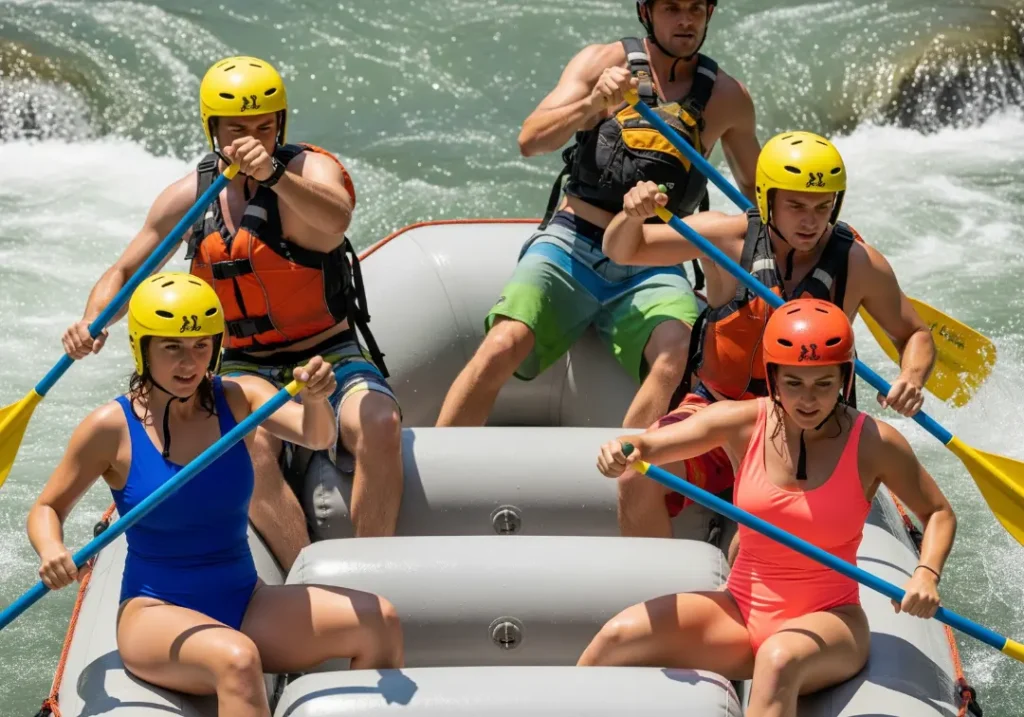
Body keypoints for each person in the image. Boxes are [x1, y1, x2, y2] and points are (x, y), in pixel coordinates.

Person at [60, 56, 403, 568]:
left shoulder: (310, 171)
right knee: (249, 450)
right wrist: (93, 323)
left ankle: (376, 576)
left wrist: (276, 176)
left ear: (281, 124)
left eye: (265, 126)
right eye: (238, 129)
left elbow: (337, 216)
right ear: (213, 130)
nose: (253, 138)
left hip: (327, 353)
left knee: (378, 420)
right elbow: (125, 273)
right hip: (239, 362)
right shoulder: (189, 197)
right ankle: (305, 574)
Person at [30, 274, 404, 716]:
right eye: (172, 347)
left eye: (201, 346)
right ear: (142, 347)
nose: (189, 362)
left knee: (380, 621)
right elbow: (47, 507)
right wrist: (52, 549)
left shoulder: (239, 396)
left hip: (245, 599)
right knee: (238, 659)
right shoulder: (110, 427)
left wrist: (319, 397)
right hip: (153, 613)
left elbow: (315, 433)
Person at [583, 299, 956, 717]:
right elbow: (652, 444)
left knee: (778, 660)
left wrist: (926, 573)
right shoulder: (742, 422)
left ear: (845, 378)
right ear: (773, 377)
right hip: (742, 611)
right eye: (793, 383)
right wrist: (625, 449)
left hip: (832, 621)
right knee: (616, 637)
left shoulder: (875, 443)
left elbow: (939, 512)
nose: (808, 400)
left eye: (823, 384)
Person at [435, 0, 761, 430]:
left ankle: (628, 475)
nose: (685, 21)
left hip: (652, 259)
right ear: (646, 12)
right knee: (502, 344)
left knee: (678, 354)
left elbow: (759, 197)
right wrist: (592, 103)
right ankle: (444, 470)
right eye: (671, 8)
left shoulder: (727, 98)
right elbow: (530, 140)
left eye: (696, 9)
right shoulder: (601, 62)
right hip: (573, 244)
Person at [602, 131, 936, 538]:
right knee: (637, 476)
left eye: (822, 206)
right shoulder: (726, 238)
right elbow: (623, 249)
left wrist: (912, 378)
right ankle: (651, 589)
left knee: (759, 538)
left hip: (806, 426)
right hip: (716, 412)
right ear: (767, 198)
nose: (811, 221)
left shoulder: (858, 263)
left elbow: (914, 333)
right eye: (796, 206)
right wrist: (631, 215)